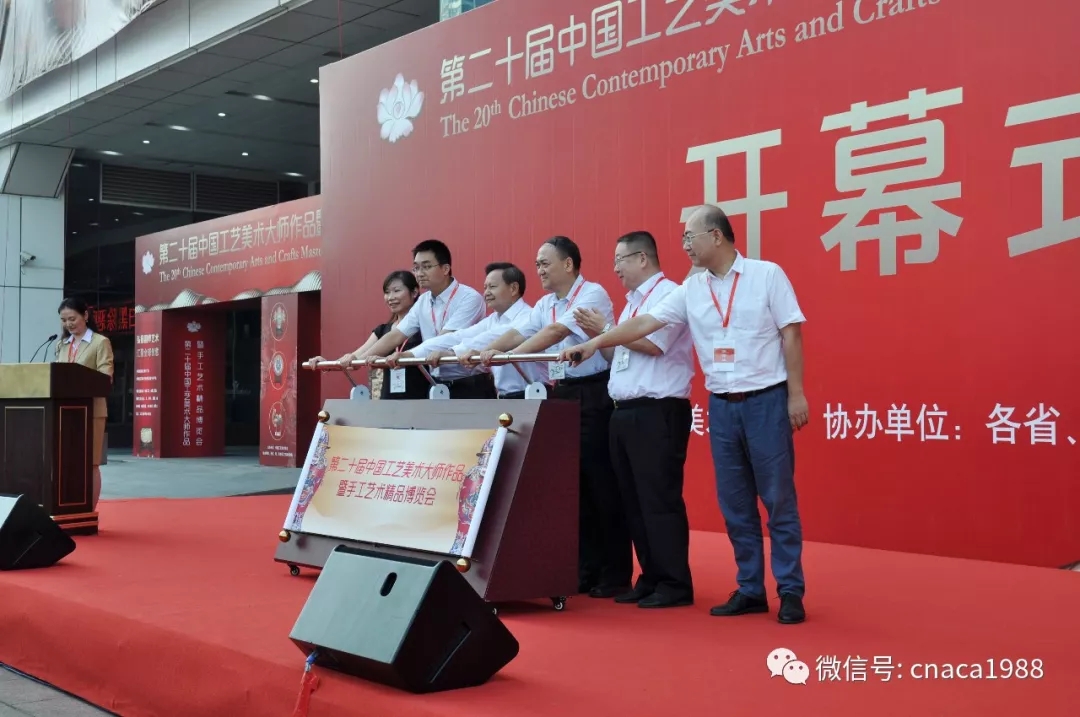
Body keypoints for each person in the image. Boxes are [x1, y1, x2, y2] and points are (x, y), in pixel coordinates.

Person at [559, 205, 810, 624]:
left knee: (778, 498)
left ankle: (790, 590)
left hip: (766, 399)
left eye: (690, 237)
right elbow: (645, 324)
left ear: (717, 235)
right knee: (735, 504)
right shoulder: (691, 289)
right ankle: (750, 588)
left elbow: (792, 333)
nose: (685, 246)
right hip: (722, 406)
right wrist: (596, 342)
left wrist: (796, 394)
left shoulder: (767, 275)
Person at [469, 236, 631, 597]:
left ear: (568, 264)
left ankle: (615, 573)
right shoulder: (544, 303)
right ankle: (584, 568)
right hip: (562, 393)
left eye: (545, 263)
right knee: (574, 486)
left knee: (601, 483)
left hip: (594, 391)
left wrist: (512, 357)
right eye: (537, 264)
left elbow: (556, 331)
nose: (539, 270)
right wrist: (491, 351)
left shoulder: (592, 294)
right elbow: (519, 332)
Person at [571, 231, 696, 608]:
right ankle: (650, 576)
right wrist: (603, 337)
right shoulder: (630, 305)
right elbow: (620, 357)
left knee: (658, 499)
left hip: (657, 411)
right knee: (632, 500)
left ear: (643, 258)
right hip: (623, 410)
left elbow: (653, 345)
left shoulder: (669, 295)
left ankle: (674, 582)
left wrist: (604, 333)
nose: (615, 269)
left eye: (620, 260)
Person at [387, 263, 548, 398]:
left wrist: (453, 353)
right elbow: (459, 336)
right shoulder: (492, 320)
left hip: (536, 393)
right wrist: (411, 354)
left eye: (492, 287)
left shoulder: (529, 316)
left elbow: (491, 337)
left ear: (513, 288)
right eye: (485, 287)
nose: (486, 293)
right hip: (505, 397)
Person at [356, 240, 491, 399]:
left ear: (445, 269)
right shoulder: (422, 301)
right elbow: (396, 335)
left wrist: (407, 355)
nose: (419, 273)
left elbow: (447, 338)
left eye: (426, 267)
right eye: (416, 268)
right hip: (436, 385)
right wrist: (357, 360)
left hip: (469, 384)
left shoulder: (469, 298)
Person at [308, 271, 429, 400]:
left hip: (422, 400)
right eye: (387, 292)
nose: (390, 297)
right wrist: (327, 364)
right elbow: (355, 359)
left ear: (414, 292)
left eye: (396, 291)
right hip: (388, 402)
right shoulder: (382, 330)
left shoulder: (426, 328)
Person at [54, 297, 114, 511]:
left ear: (85, 316)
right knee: (67, 461)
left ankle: (89, 512)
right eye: (64, 320)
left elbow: (106, 377)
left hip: (92, 411)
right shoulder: (61, 344)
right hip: (64, 412)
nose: (68, 324)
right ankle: (70, 508)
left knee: (91, 462)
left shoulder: (100, 342)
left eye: (72, 318)